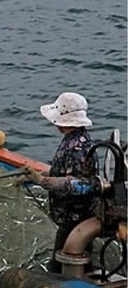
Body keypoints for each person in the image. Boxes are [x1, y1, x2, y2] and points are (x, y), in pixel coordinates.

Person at [18, 92, 98, 274]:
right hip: (70, 217)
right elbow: (65, 172)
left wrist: (42, 181)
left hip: (76, 218)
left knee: (61, 264)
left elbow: (82, 185)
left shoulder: (78, 147)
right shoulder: (74, 139)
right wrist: (38, 175)